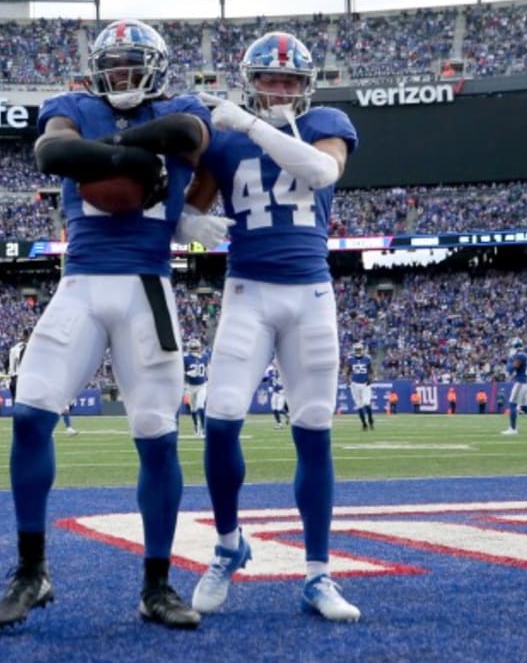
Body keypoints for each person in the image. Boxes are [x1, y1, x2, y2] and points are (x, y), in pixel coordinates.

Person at [0, 19, 211, 632]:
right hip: (80, 281)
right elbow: (51, 152)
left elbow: (187, 131)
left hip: (146, 283)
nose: (122, 75)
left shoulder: (183, 107)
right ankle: (32, 570)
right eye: (113, 64)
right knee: (31, 413)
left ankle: (157, 585)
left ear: (158, 67)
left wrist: (107, 152)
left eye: (132, 63)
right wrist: (136, 158)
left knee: (157, 434)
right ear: (96, 68)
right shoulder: (73, 107)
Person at [183, 31, 361, 622]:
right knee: (221, 419)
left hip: (311, 293)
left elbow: (321, 171)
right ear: (250, 81)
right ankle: (229, 544)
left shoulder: (324, 123)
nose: (279, 88)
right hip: (248, 292)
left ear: (306, 86)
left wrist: (254, 127)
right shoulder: (224, 143)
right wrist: (187, 226)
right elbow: (192, 209)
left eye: (289, 80)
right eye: (269, 78)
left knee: (314, 427)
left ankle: (317, 574)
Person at [183, 337, 209, 438]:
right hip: (190, 386)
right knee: (193, 408)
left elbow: (207, 369)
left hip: (202, 385)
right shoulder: (186, 358)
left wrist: (209, 380)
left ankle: (203, 428)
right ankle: (196, 426)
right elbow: (182, 372)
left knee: (200, 405)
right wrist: (188, 373)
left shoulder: (204, 357)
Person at [344, 342, 374, 431]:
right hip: (355, 384)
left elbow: (372, 370)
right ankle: (364, 424)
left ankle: (370, 420)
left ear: (362, 349)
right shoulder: (350, 360)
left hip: (365, 384)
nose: (358, 351)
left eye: (359, 349)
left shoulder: (367, 359)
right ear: (354, 350)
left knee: (366, 402)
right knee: (359, 405)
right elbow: (347, 372)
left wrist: (371, 379)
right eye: (357, 350)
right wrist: (347, 381)